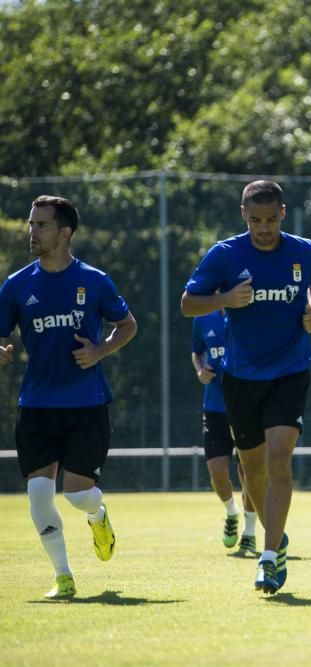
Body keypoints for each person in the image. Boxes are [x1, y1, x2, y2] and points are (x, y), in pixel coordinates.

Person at [180, 180, 311, 595]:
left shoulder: (306, 251)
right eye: (255, 220)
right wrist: (225, 298)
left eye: (271, 219)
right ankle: (277, 540)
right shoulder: (225, 255)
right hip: (240, 377)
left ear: (283, 212)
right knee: (252, 471)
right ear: (243, 215)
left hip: (291, 370)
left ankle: (267, 558)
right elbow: (188, 304)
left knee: (279, 459)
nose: (264, 228)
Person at [0, 195, 137, 599]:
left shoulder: (93, 280)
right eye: (30, 224)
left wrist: (100, 351)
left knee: (77, 494)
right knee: (39, 492)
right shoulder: (17, 285)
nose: (32, 232)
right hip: (36, 405)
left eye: (41, 225)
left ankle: (98, 514)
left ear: (65, 232)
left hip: (86, 404)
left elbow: (126, 325)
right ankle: (63, 576)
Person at [191, 308, 257, 554]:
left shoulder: (249, 314)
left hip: (247, 406)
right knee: (217, 471)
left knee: (249, 471)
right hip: (215, 407)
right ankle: (231, 512)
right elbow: (197, 352)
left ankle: (249, 531)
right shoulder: (202, 317)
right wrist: (200, 370)